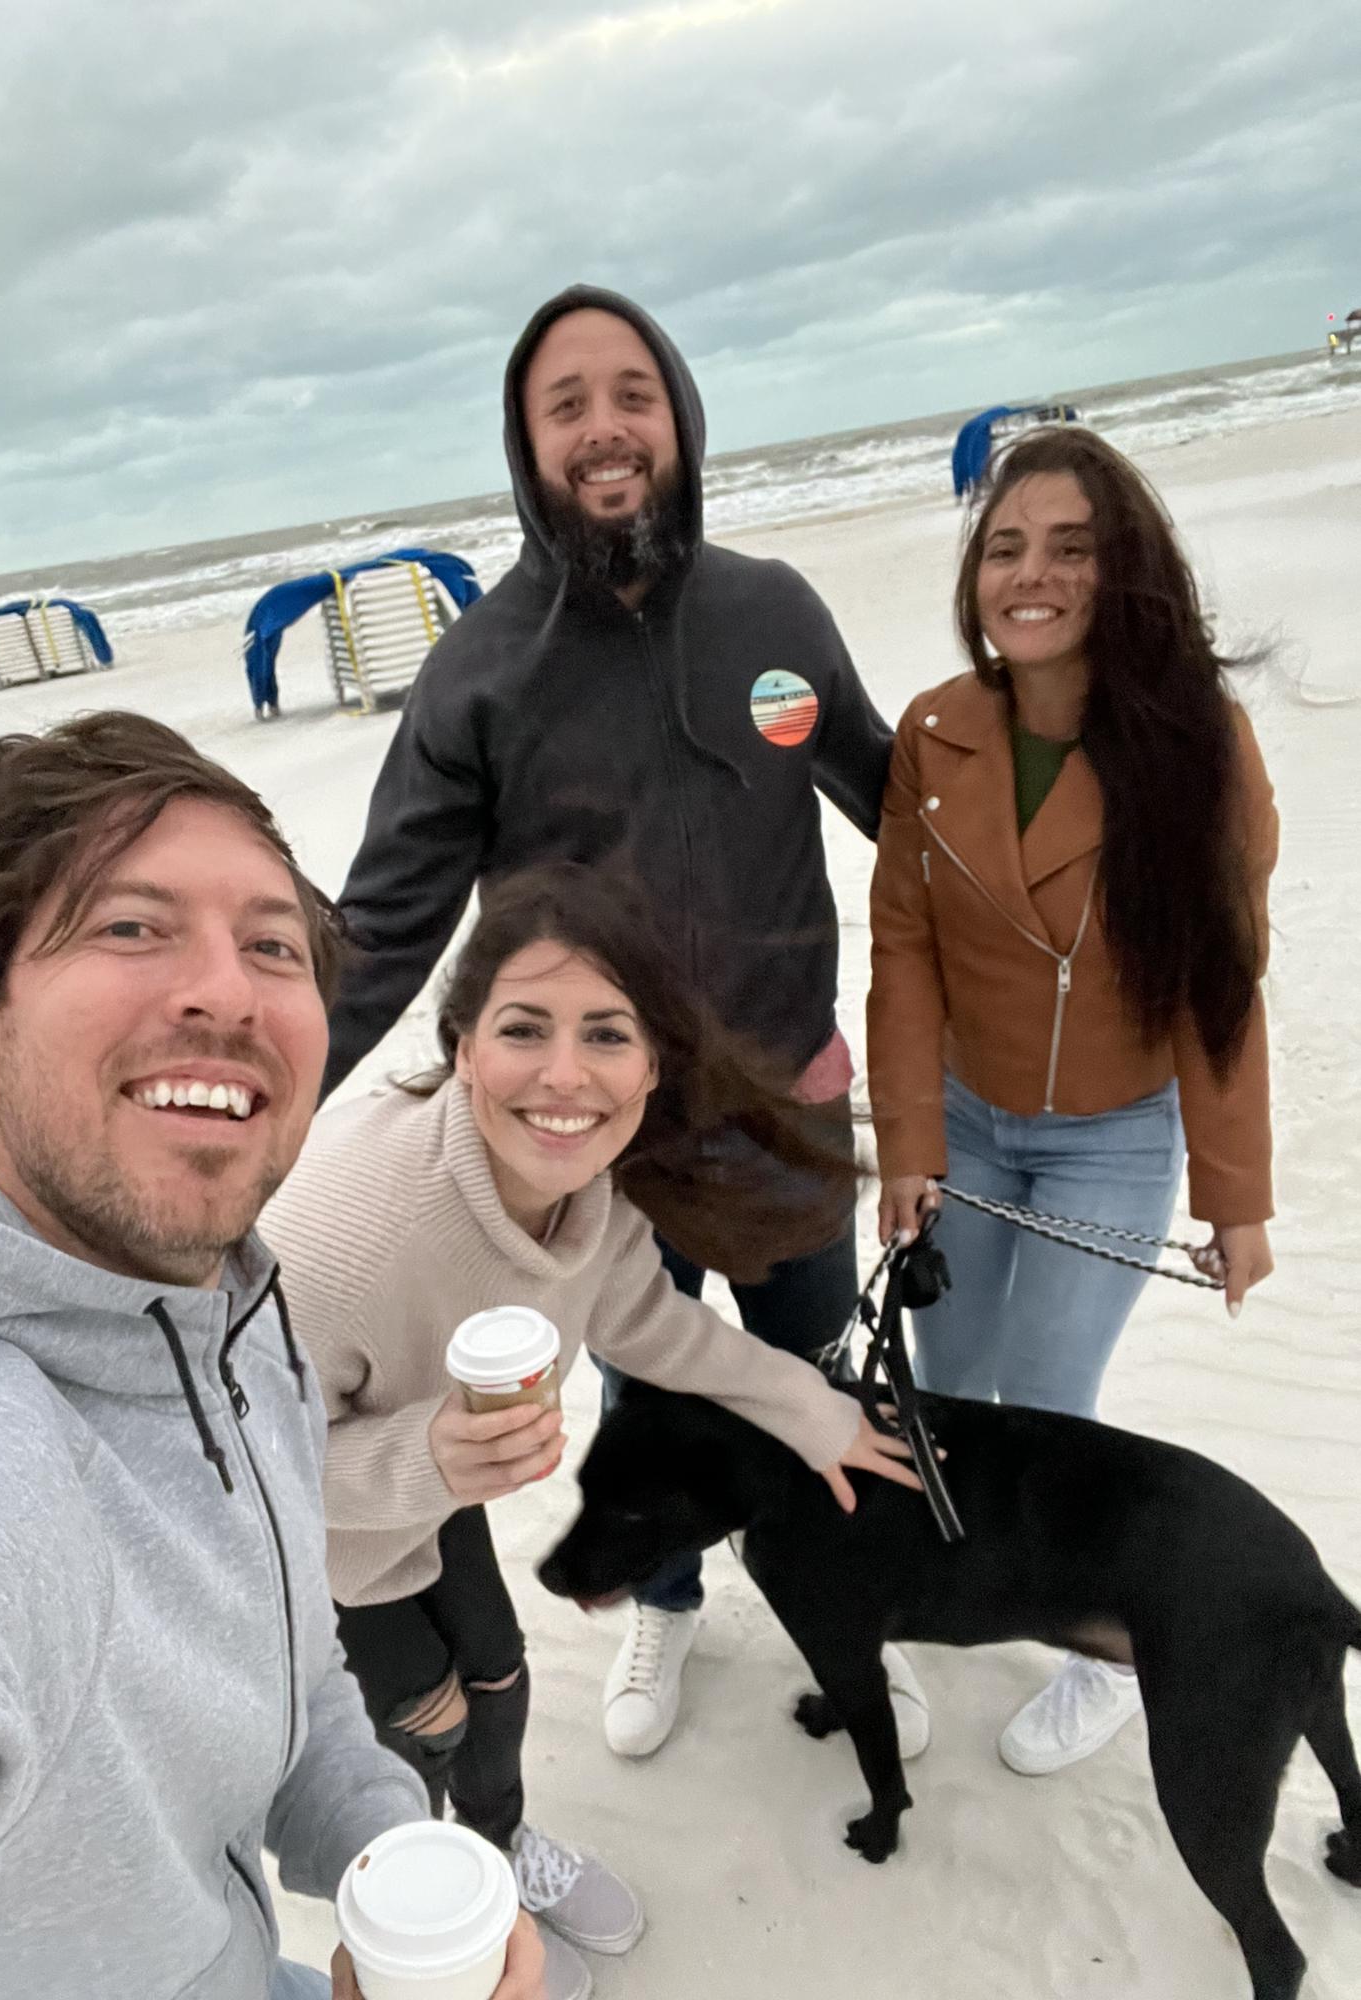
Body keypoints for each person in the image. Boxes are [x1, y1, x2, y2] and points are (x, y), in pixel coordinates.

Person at [0, 712, 542, 2000]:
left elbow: (290, 1658)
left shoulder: (227, 1299)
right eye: (132, 926)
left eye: (272, 946)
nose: (228, 991)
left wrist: (391, 1851)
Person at [320, 284, 899, 1757]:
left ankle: (836, 1599)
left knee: (813, 1372)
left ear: (681, 418)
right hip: (600, 1146)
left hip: (791, 1115)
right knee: (647, 1394)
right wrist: (251, 1118)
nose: (605, 427)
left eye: (632, 393)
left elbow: (904, 806)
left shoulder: (774, 613)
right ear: (528, 445)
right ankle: (668, 1595)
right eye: (565, 404)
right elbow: (382, 926)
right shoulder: (481, 670)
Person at [261, 862, 928, 2000]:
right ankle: (446, 1929)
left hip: (431, 1499)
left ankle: (502, 1850)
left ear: (654, 1063)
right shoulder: (345, 1234)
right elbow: (232, 1468)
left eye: (608, 1034)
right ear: (463, 1045)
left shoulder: (590, 1189)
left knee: (501, 1678)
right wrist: (418, 1454)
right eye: (524, 1028)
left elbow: (650, 1322)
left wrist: (817, 1413)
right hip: (311, 1544)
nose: (565, 1075)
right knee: (419, 1724)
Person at [866, 426, 1278, 1775]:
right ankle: (961, 1573)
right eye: (1004, 547)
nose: (1029, 575)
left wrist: (1235, 1197)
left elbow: (1221, 984)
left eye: (1070, 548)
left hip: (1111, 1136)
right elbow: (903, 950)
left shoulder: (1201, 744)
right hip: (966, 1123)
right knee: (949, 1384)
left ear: (1124, 570)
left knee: (1046, 1400)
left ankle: (1109, 1645)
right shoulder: (935, 731)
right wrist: (910, 1144)